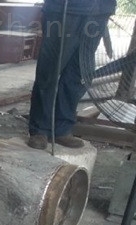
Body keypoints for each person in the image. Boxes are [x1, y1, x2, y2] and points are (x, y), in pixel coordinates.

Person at [28, 0, 117, 150]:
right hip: (65, 8)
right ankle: (40, 129)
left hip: (100, 10)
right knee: (50, 68)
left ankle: (62, 128)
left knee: (79, 72)